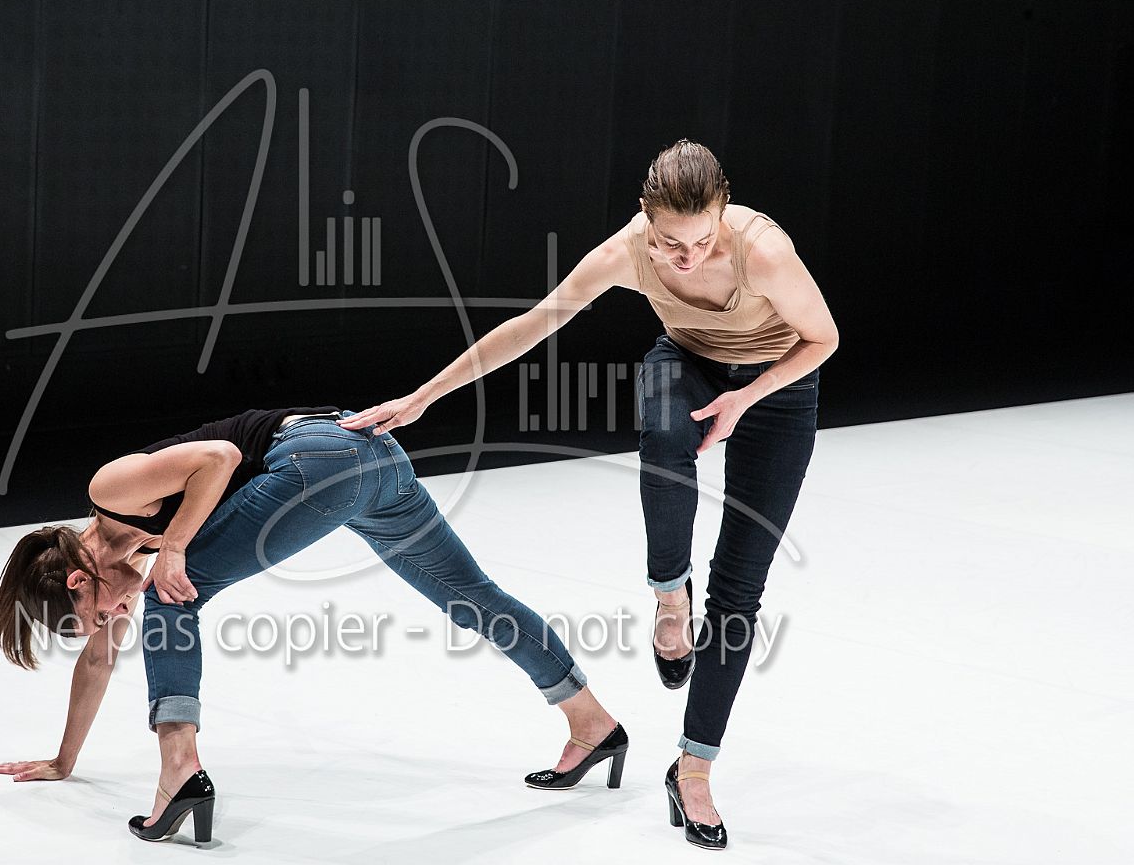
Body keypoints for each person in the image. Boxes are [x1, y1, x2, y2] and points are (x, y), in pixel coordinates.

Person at [341, 139, 838, 851]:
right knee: (663, 439)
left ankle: (694, 769)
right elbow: (533, 324)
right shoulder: (626, 252)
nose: (687, 258)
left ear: (723, 214)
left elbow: (823, 339)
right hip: (688, 362)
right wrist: (423, 398)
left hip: (778, 385)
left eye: (702, 241)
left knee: (740, 586)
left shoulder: (764, 252)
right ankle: (670, 597)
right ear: (646, 218)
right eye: (671, 243)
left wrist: (746, 399)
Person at [0, 406, 627, 846]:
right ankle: (594, 725)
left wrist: (174, 545)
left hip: (321, 456)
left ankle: (179, 771)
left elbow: (219, 456)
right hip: (373, 459)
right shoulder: (115, 563)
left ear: (79, 579)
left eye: (102, 613)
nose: (114, 619)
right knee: (471, 597)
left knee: (170, 594)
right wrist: (64, 761)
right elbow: (98, 661)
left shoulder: (111, 490)